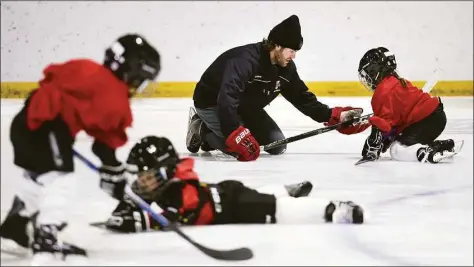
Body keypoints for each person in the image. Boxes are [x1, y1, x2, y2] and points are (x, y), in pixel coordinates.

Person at [0, 34, 161, 261]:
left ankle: (15, 226)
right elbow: (103, 147)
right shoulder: (114, 94)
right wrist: (114, 172)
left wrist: (112, 171)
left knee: (37, 179)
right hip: (48, 128)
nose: (138, 87)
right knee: (60, 180)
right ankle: (47, 237)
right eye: (141, 80)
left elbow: (48, 86)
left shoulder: (86, 68)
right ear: (133, 71)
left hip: (25, 123)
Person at [186, 15, 367, 161]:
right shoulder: (244, 61)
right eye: (291, 50)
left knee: (277, 145)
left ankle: (217, 133)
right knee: (241, 150)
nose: (294, 56)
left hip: (245, 107)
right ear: (277, 45)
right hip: (213, 104)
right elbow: (227, 97)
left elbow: (301, 97)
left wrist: (332, 116)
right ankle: (202, 128)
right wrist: (234, 131)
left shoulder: (285, 69)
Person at [102, 136, 365, 234]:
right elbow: (137, 206)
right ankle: (287, 189)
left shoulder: (181, 190)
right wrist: (125, 207)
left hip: (233, 205)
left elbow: (179, 212)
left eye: (147, 175)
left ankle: (333, 209)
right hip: (226, 191)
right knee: (258, 195)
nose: (142, 182)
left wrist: (142, 222)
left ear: (164, 171)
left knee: (277, 210)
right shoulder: (166, 185)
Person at [356, 46, 459, 164]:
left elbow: (384, 125)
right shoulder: (398, 81)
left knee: (396, 150)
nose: (367, 79)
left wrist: (374, 142)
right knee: (406, 142)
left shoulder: (381, 93)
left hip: (425, 120)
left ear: (376, 70)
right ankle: (440, 146)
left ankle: (427, 152)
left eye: (368, 73)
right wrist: (386, 137)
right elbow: (397, 119)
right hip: (435, 117)